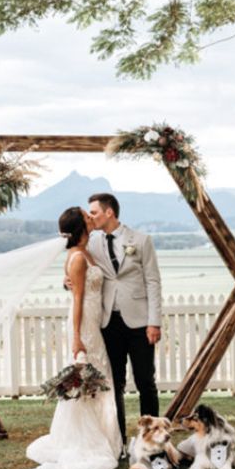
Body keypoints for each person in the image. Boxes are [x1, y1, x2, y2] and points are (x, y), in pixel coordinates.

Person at [19, 207, 122, 469]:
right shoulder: (77, 258)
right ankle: (84, 443)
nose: (91, 218)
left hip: (93, 321)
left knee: (99, 382)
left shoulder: (87, 251)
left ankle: (104, 437)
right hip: (84, 323)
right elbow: (77, 299)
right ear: (80, 226)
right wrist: (77, 336)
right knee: (89, 380)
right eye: (87, 217)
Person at [86, 193, 162, 453]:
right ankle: (118, 443)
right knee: (114, 383)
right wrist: (68, 281)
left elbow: (153, 281)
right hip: (109, 322)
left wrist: (154, 322)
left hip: (140, 322)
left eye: (94, 212)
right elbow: (81, 268)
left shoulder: (140, 240)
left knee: (145, 381)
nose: (91, 217)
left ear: (109, 213)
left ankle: (151, 442)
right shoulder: (93, 244)